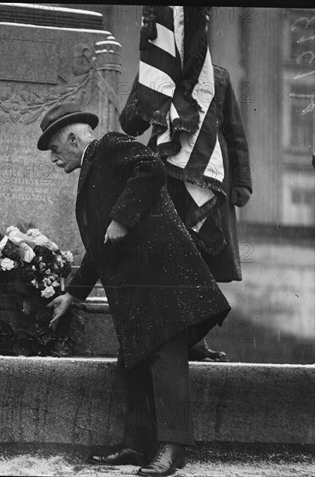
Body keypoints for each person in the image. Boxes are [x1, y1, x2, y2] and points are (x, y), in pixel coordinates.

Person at [39, 104, 230, 476]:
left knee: (165, 360)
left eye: (55, 149)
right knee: (134, 364)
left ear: (74, 139)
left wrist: (122, 218)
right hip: (141, 291)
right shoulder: (94, 169)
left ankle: (173, 448)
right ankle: (135, 447)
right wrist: (74, 294)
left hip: (161, 283)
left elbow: (152, 168)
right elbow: (100, 247)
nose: (52, 159)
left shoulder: (110, 145)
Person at [120, 8, 252, 362]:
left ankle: (195, 340)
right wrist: (150, 93)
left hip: (209, 185)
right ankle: (165, 335)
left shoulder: (219, 79)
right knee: (165, 258)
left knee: (203, 263)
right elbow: (130, 123)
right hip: (162, 180)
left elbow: (235, 135)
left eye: (203, 23)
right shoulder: (156, 74)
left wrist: (243, 182)